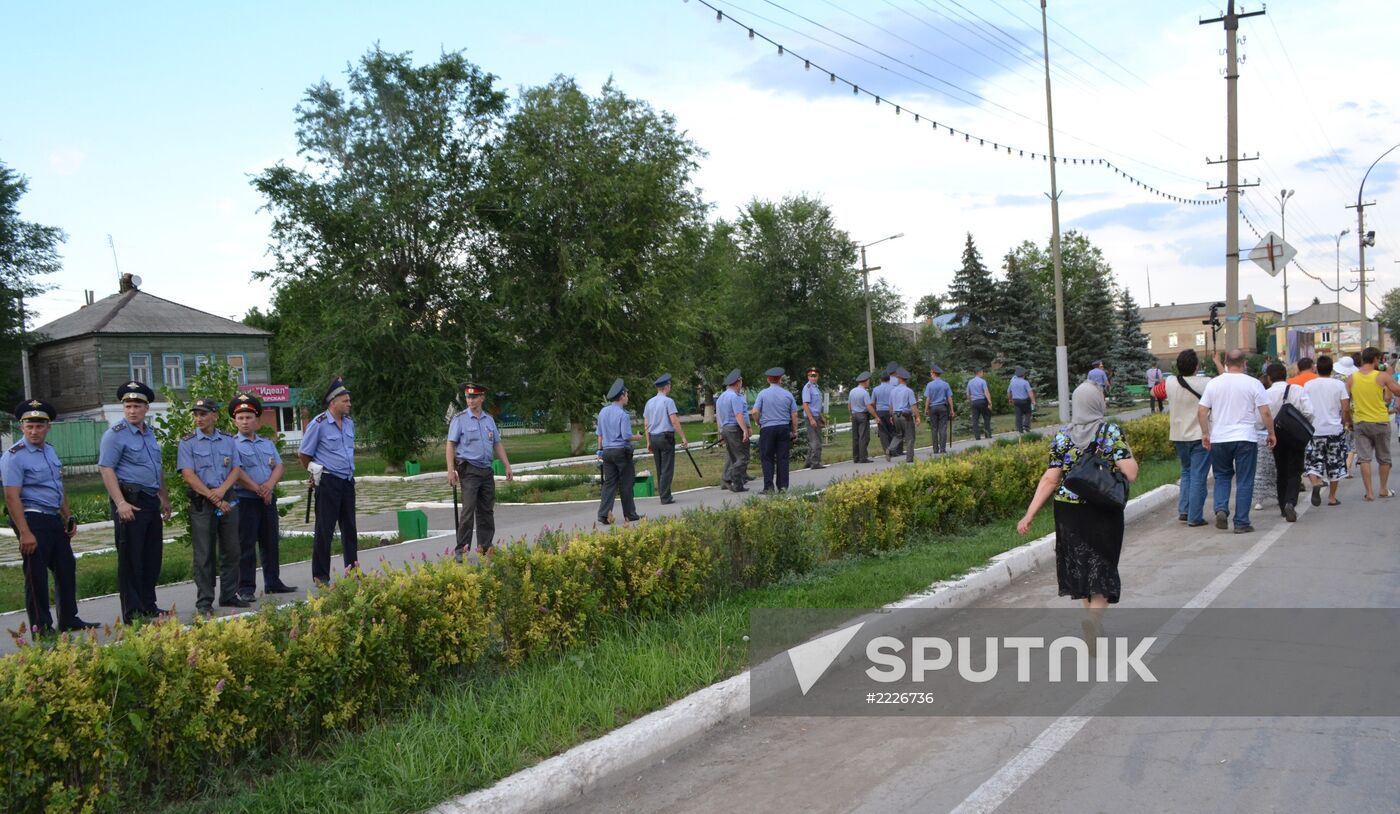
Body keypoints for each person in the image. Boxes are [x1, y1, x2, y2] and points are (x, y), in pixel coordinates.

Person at [1017, 381, 1139, 639]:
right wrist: (1125, 452)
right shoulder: (1110, 432)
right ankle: (1094, 623)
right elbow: (1131, 473)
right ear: (1098, 403)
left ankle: (1093, 623)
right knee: (1103, 568)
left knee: (1083, 568)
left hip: (1068, 511)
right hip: (1102, 510)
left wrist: (1029, 514)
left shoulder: (1062, 436)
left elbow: (1050, 479)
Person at [3, 400, 97, 635]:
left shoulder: (50, 450)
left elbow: (58, 486)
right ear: (22, 427)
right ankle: (41, 627)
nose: (34, 431)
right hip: (31, 519)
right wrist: (24, 532)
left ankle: (68, 619)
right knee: (36, 576)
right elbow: (12, 497)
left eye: (39, 426)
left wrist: (68, 516)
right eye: (29, 426)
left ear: (48, 427)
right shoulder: (14, 456)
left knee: (66, 566)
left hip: (52, 519)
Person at [99, 381, 172, 624]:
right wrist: (120, 503)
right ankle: (132, 612)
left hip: (150, 500)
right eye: (128, 406)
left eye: (137, 406)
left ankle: (148, 605)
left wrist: (164, 497)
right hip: (130, 501)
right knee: (131, 559)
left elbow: (156, 468)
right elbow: (106, 468)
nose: (132, 410)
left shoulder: (149, 434)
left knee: (152, 557)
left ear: (146, 408)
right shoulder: (115, 434)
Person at [177, 398, 245, 615]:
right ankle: (204, 602)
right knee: (204, 553)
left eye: (203, 414)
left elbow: (236, 468)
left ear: (215, 415)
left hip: (227, 497)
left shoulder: (227, 440)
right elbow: (188, 475)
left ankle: (229, 595)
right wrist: (215, 498)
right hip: (203, 502)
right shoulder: (187, 443)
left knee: (232, 549)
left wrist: (223, 491)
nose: (199, 419)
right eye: (196, 415)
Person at [1198, 349, 1276, 533]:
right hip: (1245, 438)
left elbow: (1202, 411)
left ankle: (1221, 509)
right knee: (1244, 480)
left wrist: (1205, 433)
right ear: (1245, 363)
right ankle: (1241, 522)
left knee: (1222, 476)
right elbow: (1265, 412)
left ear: (1225, 362)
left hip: (1220, 438)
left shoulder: (1214, 384)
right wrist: (1271, 432)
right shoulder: (1253, 384)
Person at [228, 394, 297, 599]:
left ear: (257, 420)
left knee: (270, 542)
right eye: (240, 418)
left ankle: (273, 582)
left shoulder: (266, 443)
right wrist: (259, 489)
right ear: (234, 421)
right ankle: (246, 588)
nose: (245, 422)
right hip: (246, 500)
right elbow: (237, 472)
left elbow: (279, 466)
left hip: (267, 499)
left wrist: (268, 486)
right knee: (246, 545)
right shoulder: (232, 445)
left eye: (249, 417)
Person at [298, 377, 357, 585]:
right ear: (333, 402)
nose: (349, 403)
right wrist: (314, 473)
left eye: (349, 400)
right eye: (345, 400)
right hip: (329, 481)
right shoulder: (319, 424)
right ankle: (321, 575)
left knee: (350, 528)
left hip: (347, 481)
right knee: (325, 529)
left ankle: (353, 569)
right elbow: (304, 454)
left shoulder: (349, 423)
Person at [447, 383, 514, 558]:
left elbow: (497, 443)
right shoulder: (460, 419)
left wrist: (506, 465)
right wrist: (450, 470)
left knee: (486, 510)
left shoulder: (489, 419)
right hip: (469, 469)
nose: (471, 400)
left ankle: (485, 546)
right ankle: (462, 549)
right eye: (468, 397)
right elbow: (450, 445)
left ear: (482, 397)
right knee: (468, 511)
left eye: (474, 397)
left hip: (486, 470)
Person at [1263, 362, 1314, 522]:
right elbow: (1309, 412)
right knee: (1295, 470)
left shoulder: (1266, 393)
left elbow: (1260, 418)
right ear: (1285, 374)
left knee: (1281, 470)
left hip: (1275, 435)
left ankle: (1283, 505)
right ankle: (1291, 502)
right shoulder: (1297, 390)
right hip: (1295, 434)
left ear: (1269, 378)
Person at [1347, 347, 1400, 500]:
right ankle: (1383, 489)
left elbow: (1345, 404)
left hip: (1361, 422)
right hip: (1380, 421)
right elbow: (1398, 391)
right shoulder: (1382, 376)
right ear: (1377, 359)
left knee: (1364, 458)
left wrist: (1348, 421)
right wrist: (1390, 378)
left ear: (1363, 359)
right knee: (1384, 458)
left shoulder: (1352, 378)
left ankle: (1369, 492)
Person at [1166, 349, 1210, 527]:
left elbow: (1155, 392)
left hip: (1178, 435)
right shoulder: (1206, 382)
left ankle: (1184, 510)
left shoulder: (1170, 382)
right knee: (1198, 475)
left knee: (1186, 472)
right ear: (1197, 366)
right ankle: (1195, 516)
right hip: (1199, 435)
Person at [1303, 355, 1351, 507]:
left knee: (1312, 461)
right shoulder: (1339, 385)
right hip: (1334, 430)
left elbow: (1305, 406)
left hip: (1314, 430)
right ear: (1332, 369)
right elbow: (1345, 407)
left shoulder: (1308, 385)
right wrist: (1346, 422)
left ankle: (1315, 482)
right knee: (1334, 463)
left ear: (1317, 368)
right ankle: (1331, 497)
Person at [595, 378, 643, 524]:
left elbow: (600, 434)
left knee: (609, 483)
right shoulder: (623, 415)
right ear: (622, 396)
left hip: (607, 452)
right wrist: (637, 437)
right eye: (627, 395)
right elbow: (626, 436)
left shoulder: (603, 412)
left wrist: (599, 450)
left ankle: (603, 514)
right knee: (626, 483)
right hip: (621, 452)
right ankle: (630, 514)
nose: (628, 397)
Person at [751, 368, 799, 493]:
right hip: (783, 428)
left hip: (767, 428)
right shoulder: (788, 394)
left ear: (768, 379)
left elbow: (755, 412)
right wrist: (794, 431)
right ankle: (783, 487)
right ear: (780, 379)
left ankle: (768, 487)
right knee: (783, 458)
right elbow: (794, 414)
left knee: (767, 457)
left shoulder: (762, 394)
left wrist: (758, 421)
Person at [644, 374, 688, 505]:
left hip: (654, 437)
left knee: (659, 468)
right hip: (665, 437)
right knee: (667, 468)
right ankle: (665, 497)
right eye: (669, 385)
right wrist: (683, 437)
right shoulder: (668, 401)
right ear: (666, 387)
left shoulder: (649, 402)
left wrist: (648, 441)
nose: (670, 387)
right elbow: (674, 421)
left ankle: (665, 493)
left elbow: (646, 424)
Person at [716, 368, 751, 492]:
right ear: (738, 382)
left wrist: (721, 430)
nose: (741, 383)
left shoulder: (721, 397)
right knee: (743, 457)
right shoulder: (735, 397)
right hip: (735, 429)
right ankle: (731, 476)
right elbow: (738, 415)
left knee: (733, 456)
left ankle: (737, 485)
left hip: (725, 428)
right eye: (741, 381)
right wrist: (745, 430)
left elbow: (719, 416)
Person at [923, 363, 955, 454]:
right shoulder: (945, 384)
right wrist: (952, 410)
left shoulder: (929, 385)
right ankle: (942, 449)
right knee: (943, 428)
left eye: (931, 372)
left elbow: (928, 398)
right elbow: (949, 398)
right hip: (943, 407)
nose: (930, 374)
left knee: (934, 428)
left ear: (933, 373)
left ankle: (935, 449)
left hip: (933, 408)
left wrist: (926, 409)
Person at [889, 367, 918, 462]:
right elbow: (913, 405)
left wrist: (891, 416)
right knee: (910, 437)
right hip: (906, 416)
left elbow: (890, 406)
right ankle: (909, 458)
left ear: (899, 378)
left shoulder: (892, 391)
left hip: (895, 415)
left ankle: (890, 449)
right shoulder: (909, 391)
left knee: (898, 435)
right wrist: (917, 416)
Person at [801, 367, 826, 469]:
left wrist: (821, 417)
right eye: (811, 376)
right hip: (811, 417)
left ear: (818, 376)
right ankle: (815, 463)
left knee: (815, 440)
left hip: (816, 416)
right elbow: (805, 405)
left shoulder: (816, 387)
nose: (813, 378)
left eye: (815, 376)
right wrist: (811, 419)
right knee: (816, 441)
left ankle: (809, 462)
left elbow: (816, 405)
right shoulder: (807, 388)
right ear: (808, 377)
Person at [848, 371, 876, 463]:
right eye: (868, 380)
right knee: (864, 437)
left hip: (854, 414)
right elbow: (868, 406)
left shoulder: (852, 391)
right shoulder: (864, 393)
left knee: (855, 437)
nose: (869, 382)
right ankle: (863, 457)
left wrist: (851, 413)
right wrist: (876, 416)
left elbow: (849, 405)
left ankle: (856, 457)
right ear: (865, 381)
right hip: (862, 416)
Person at [872, 365, 895, 457]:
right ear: (889, 379)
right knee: (892, 430)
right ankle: (893, 450)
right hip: (890, 411)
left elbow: (873, 402)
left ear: (880, 379)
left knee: (882, 432)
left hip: (880, 411)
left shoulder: (875, 389)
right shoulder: (893, 388)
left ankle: (886, 450)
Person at [966, 365, 993, 440]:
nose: (983, 373)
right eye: (982, 372)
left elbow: (968, 394)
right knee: (986, 418)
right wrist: (990, 402)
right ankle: (988, 435)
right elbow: (986, 392)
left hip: (974, 402)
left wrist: (970, 401)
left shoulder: (970, 382)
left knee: (975, 420)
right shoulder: (983, 381)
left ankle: (977, 437)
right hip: (982, 401)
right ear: (979, 372)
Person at [1008, 366, 1036, 432]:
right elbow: (1030, 392)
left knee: (1018, 415)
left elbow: (1009, 392)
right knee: (1028, 412)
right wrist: (1033, 400)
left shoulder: (1012, 382)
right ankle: (1026, 425)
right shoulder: (1025, 382)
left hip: (1016, 401)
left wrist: (1010, 399)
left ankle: (1019, 429)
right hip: (1025, 401)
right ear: (1023, 375)